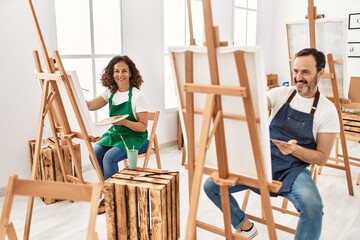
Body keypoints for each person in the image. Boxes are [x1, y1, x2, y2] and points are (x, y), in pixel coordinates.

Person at [203, 48, 340, 239]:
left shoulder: (327, 110)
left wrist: (295, 149)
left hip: (292, 170)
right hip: (261, 162)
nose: (298, 77)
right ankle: (244, 225)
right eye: (295, 71)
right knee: (211, 186)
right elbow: (256, 107)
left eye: (305, 72)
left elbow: (322, 157)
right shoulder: (281, 93)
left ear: (321, 73)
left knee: (313, 207)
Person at [87, 55, 149, 213]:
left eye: (124, 71)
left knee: (109, 157)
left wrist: (125, 122)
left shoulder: (137, 96)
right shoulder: (110, 92)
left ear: (130, 73)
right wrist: (72, 93)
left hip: (136, 137)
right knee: (93, 154)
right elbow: (90, 106)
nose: (120, 75)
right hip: (116, 133)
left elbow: (142, 127)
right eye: (116, 71)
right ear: (111, 73)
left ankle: (115, 198)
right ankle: (109, 189)